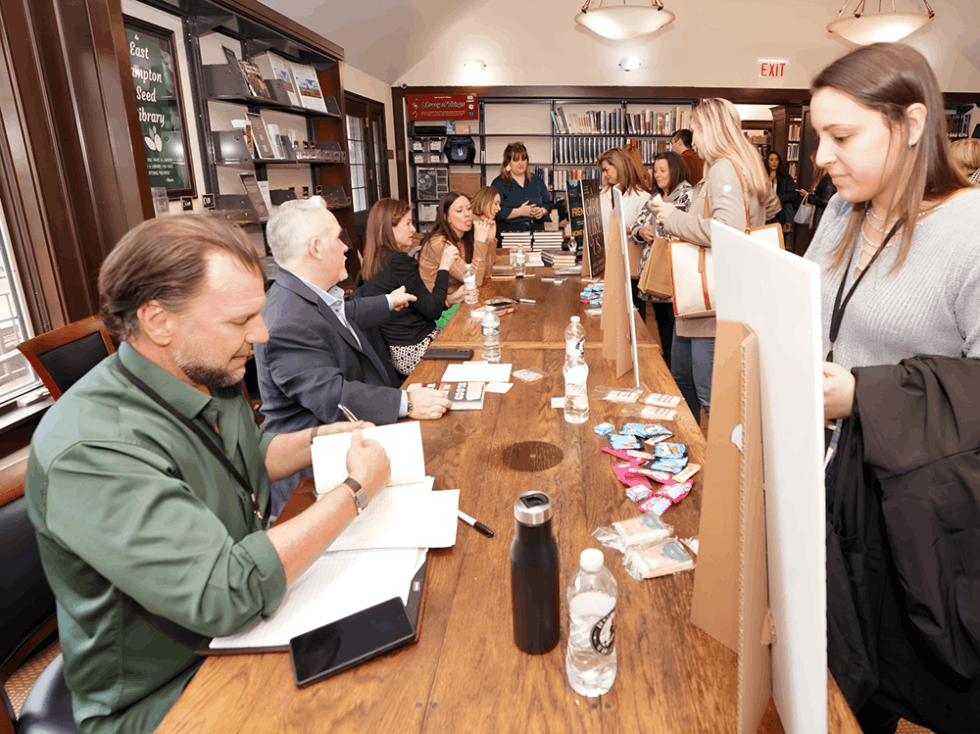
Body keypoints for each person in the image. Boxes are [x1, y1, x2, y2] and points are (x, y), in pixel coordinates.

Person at [23, 215, 392, 734]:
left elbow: (245, 455)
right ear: (158, 321)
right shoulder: (92, 449)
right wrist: (355, 492)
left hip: (234, 632)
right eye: (240, 321)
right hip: (163, 693)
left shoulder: (204, 373)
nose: (260, 335)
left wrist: (315, 440)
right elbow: (228, 593)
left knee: (387, 643)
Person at [805, 42, 980, 734]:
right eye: (820, 135)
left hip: (910, 514)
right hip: (832, 481)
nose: (821, 156)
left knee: (889, 681)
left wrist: (863, 396)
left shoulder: (970, 231)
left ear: (911, 124)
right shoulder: (843, 211)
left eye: (841, 136)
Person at [256, 197, 450, 515]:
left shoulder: (302, 295)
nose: (347, 247)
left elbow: (342, 313)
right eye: (338, 237)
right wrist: (407, 403)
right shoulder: (287, 321)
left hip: (356, 437)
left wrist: (388, 301)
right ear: (316, 247)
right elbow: (334, 396)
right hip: (316, 480)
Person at [649, 98, 772, 422]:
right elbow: (767, 211)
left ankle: (720, 470)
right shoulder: (743, 166)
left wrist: (673, 217)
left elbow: (727, 230)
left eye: (696, 131)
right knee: (685, 381)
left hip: (710, 300)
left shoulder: (723, 168)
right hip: (710, 299)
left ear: (710, 130)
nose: (695, 141)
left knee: (708, 396)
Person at [360, 198, 460, 377]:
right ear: (388, 228)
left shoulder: (374, 261)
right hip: (416, 349)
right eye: (407, 224)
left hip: (403, 349)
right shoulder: (397, 261)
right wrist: (444, 266)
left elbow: (422, 304)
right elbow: (433, 311)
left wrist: (451, 299)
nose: (413, 230)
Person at [631, 151, 694, 367]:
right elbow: (636, 226)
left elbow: (684, 230)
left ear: (674, 170)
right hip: (653, 276)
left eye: (662, 170)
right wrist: (642, 232)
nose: (657, 175)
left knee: (676, 333)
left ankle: (675, 375)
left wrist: (655, 231)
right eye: (655, 170)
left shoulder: (687, 195)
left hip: (672, 275)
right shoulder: (655, 197)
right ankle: (668, 367)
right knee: (663, 329)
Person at [418, 191, 495, 300]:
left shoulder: (464, 238)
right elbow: (475, 281)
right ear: (447, 218)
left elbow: (485, 275)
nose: (467, 214)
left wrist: (489, 240)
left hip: (461, 299)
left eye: (469, 209)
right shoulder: (439, 243)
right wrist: (480, 242)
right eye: (459, 211)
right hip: (439, 307)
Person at [490, 142, 553, 232]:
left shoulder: (537, 180)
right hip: (510, 234)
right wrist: (520, 212)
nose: (521, 163)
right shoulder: (498, 183)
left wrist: (542, 211)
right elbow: (493, 212)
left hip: (537, 233)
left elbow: (549, 204)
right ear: (508, 162)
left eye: (523, 159)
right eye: (516, 160)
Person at [798, 151, 838, 232]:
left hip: (823, 218)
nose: (813, 165)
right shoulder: (824, 177)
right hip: (821, 218)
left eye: (814, 163)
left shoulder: (828, 179)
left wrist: (808, 196)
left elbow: (826, 201)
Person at [765, 150, 799, 230]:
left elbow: (792, 195)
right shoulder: (762, 176)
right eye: (771, 160)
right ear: (767, 162)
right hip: (765, 212)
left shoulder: (786, 178)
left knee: (778, 237)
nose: (774, 162)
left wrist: (776, 199)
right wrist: (770, 179)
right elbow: (760, 193)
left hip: (780, 213)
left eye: (776, 159)